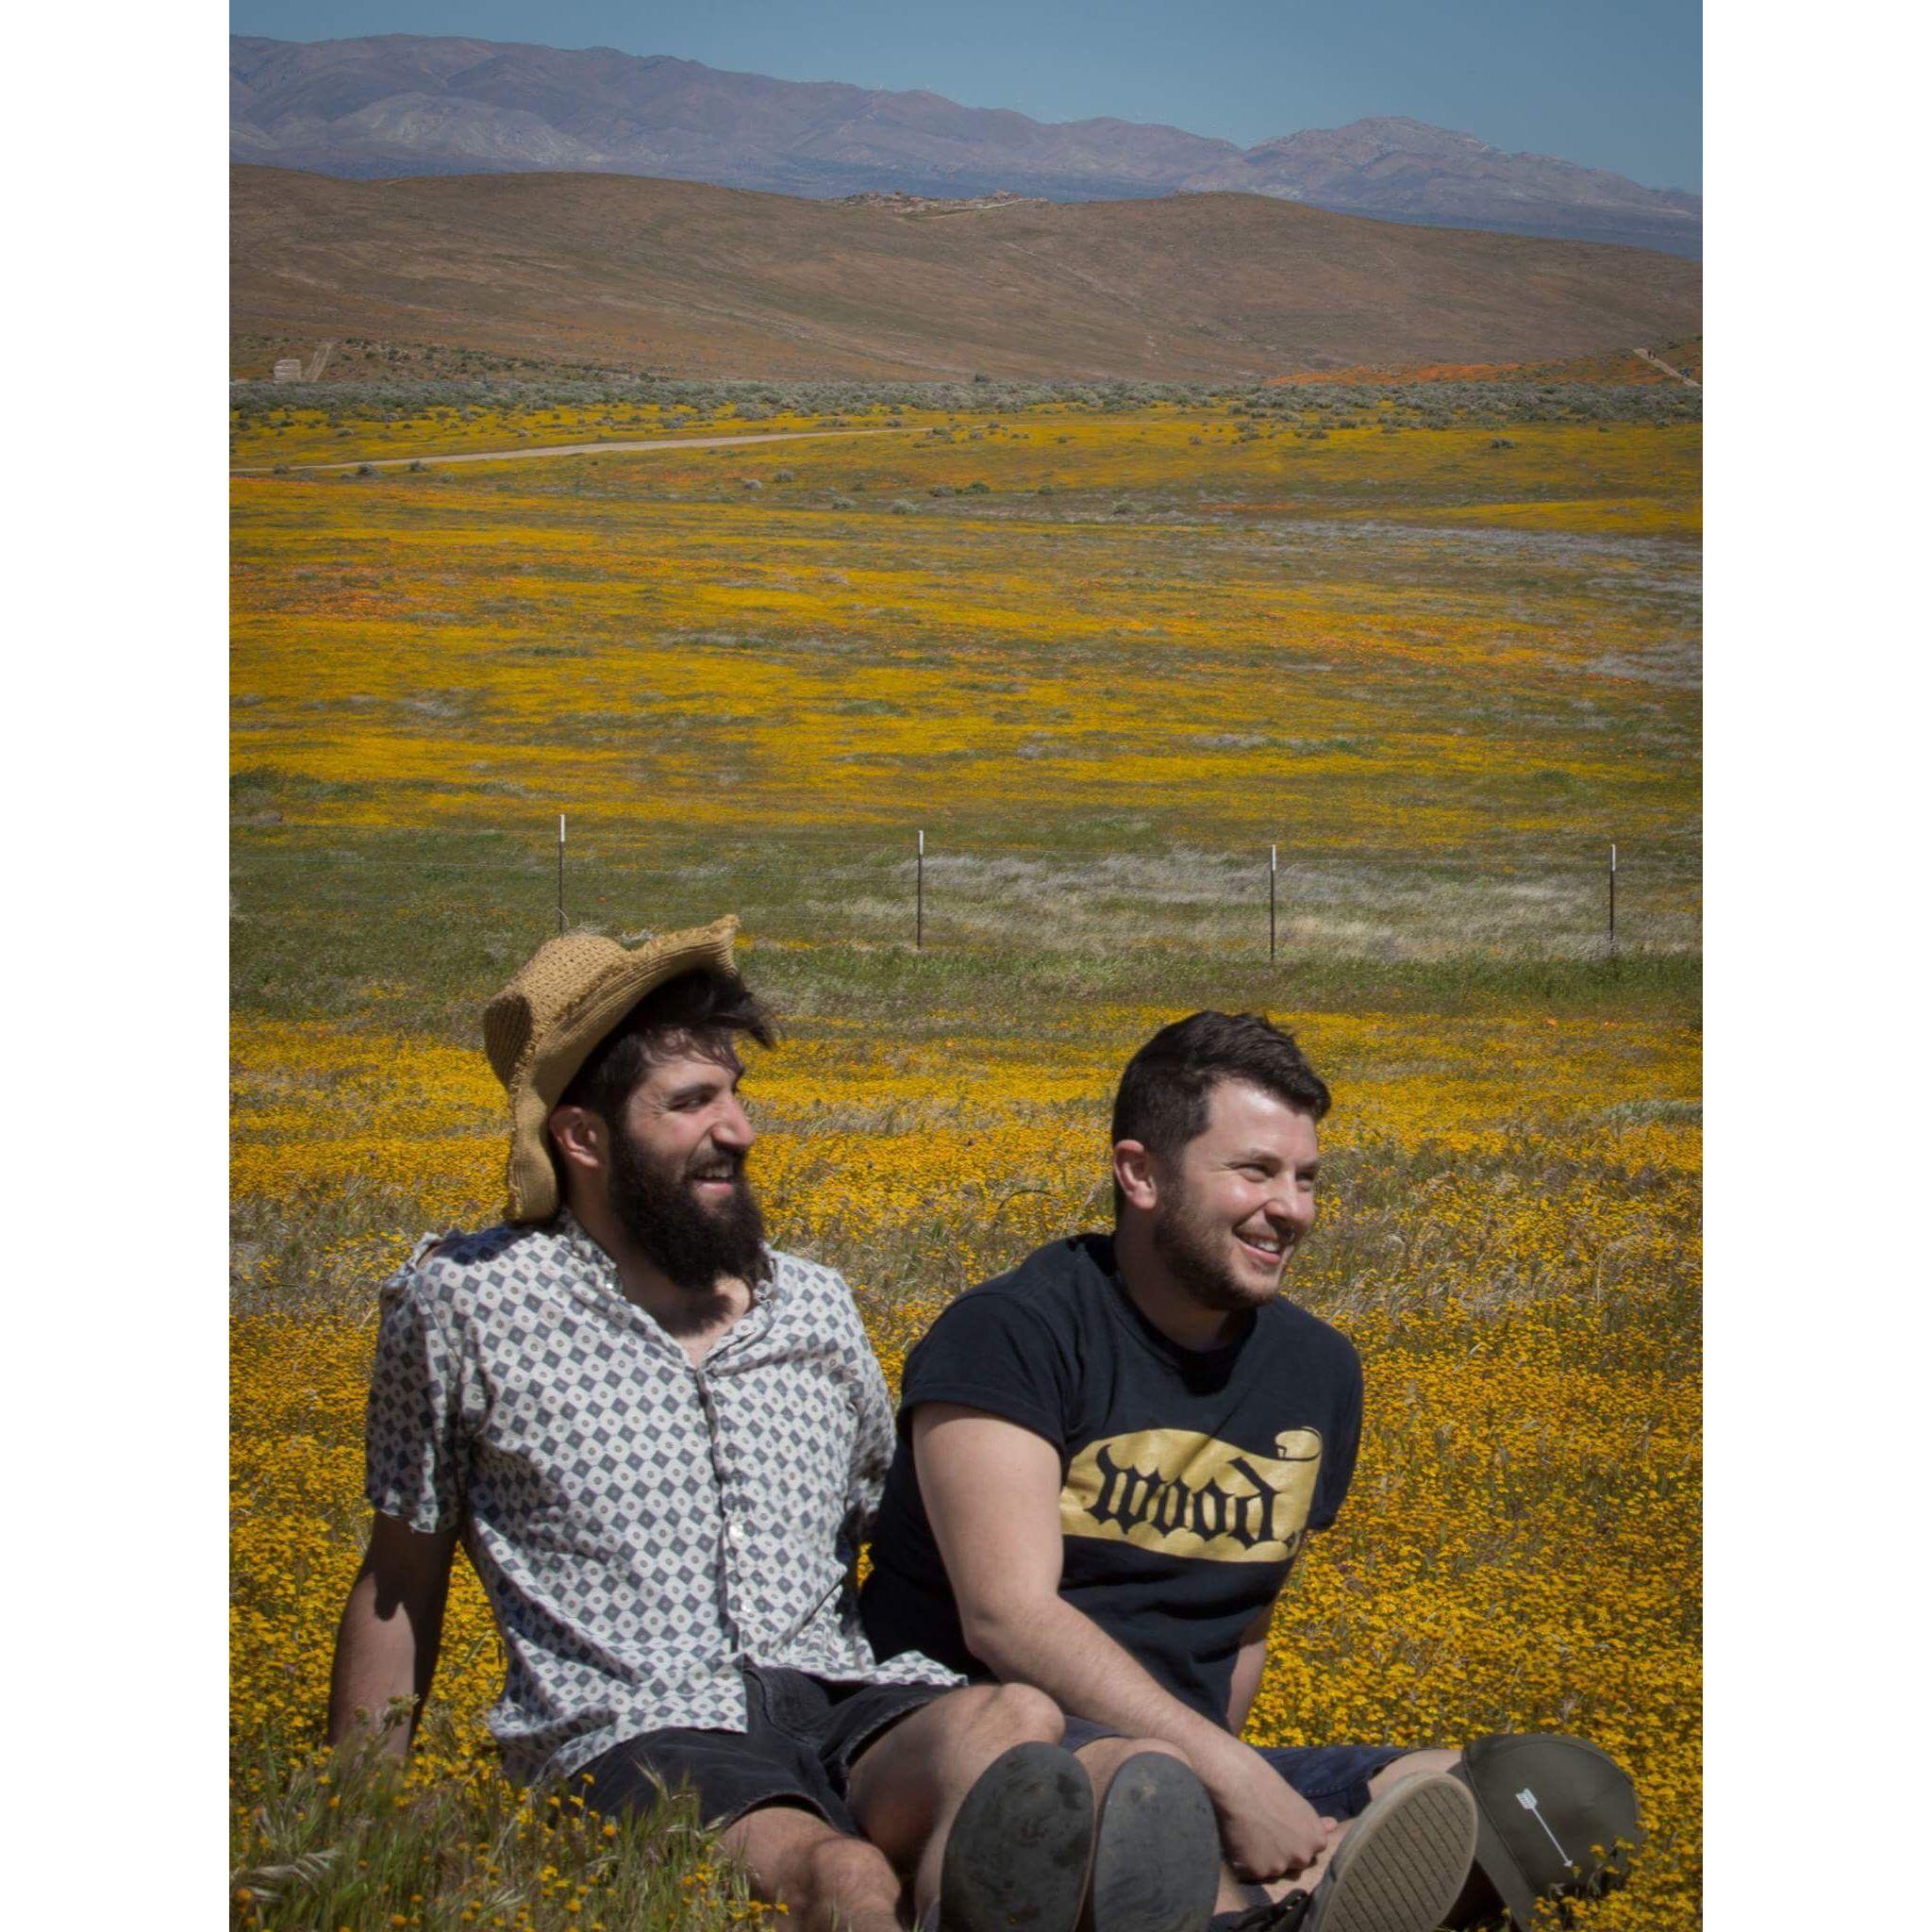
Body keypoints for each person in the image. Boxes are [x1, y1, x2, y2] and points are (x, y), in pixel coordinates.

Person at [325, 918, 1226, 1932]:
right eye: (691, 1101)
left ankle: (1031, 1872)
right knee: (837, 1873)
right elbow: (400, 1577)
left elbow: (894, 1544)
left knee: (1012, 1722)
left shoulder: (812, 1304)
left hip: (836, 1699)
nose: (738, 1127)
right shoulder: (466, 1304)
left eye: (735, 1092)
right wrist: (362, 1823)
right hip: (631, 1726)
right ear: (582, 1136)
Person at [860, 1011, 1641, 1932]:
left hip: (1194, 1763)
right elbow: (1006, 1617)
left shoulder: (1315, 1371)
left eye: (1305, 1177)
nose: (1293, 1208)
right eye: (1255, 1171)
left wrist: (1240, 1781)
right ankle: (1265, 1903)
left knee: (1538, 1792)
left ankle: (1266, 1894)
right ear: (1139, 1172)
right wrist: (1226, 1776)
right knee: (1132, 1807)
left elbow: (1243, 1615)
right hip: (1007, 1756)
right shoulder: (1011, 1333)